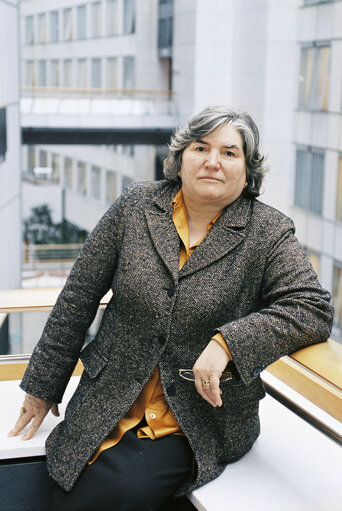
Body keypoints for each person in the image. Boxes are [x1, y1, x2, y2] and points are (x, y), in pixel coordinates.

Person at [9, 106, 333, 510]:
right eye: (201, 147)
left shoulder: (268, 232)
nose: (213, 161)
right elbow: (78, 296)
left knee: (117, 492)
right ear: (181, 158)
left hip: (195, 418)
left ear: (248, 171)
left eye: (230, 153)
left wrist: (227, 344)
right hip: (107, 396)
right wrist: (43, 386)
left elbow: (312, 307)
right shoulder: (137, 205)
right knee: (64, 472)